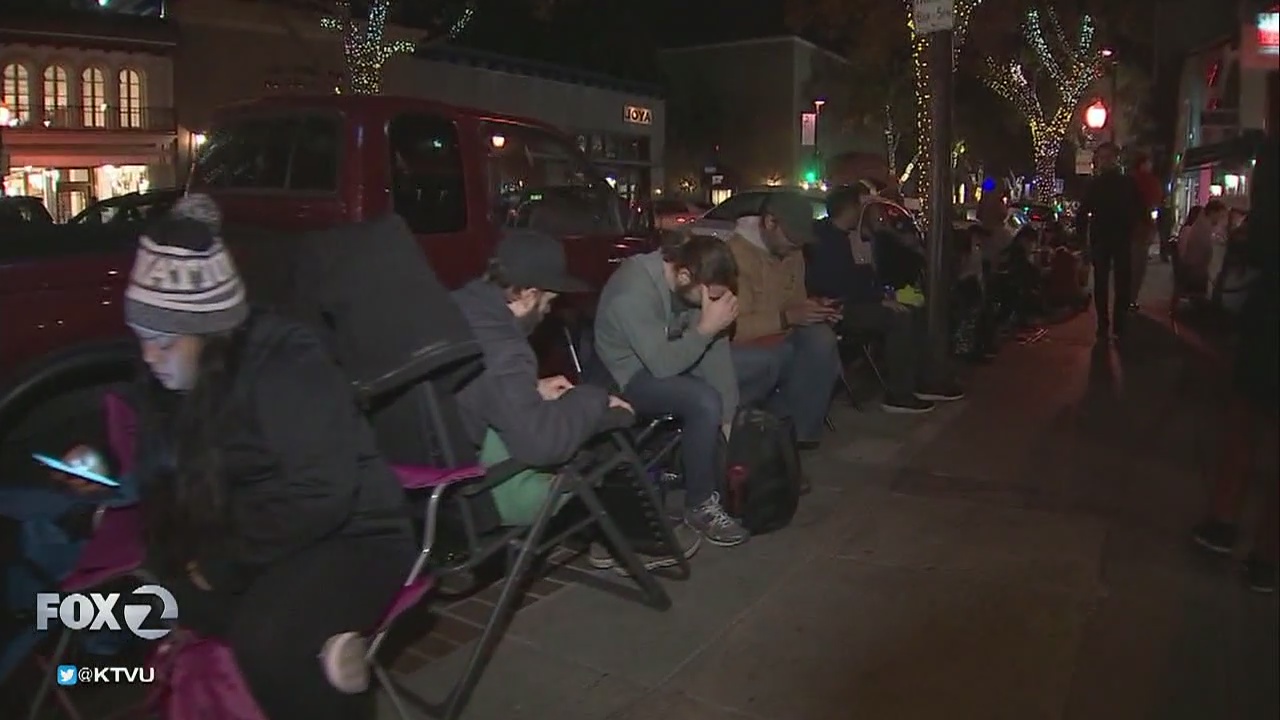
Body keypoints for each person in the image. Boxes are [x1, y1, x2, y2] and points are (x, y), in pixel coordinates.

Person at [115, 206, 415, 718]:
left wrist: (221, 561)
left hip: (354, 535)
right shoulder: (174, 380)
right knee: (141, 599)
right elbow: (160, 465)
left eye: (163, 343)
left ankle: (319, 669)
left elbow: (322, 492)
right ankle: (318, 659)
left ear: (209, 335)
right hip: (260, 529)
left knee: (268, 638)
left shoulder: (286, 363)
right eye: (142, 340)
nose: (149, 357)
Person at [449, 230, 699, 569]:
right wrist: (593, 400)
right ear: (527, 294)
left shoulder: (458, 309)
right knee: (606, 434)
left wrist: (532, 389)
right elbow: (542, 445)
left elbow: (476, 386)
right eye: (548, 302)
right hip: (480, 494)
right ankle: (634, 541)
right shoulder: (507, 346)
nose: (548, 312)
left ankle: (607, 538)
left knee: (574, 416)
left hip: (431, 479)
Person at [594, 235, 751, 547]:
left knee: (752, 373)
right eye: (709, 298)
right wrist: (706, 328)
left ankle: (704, 463)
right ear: (683, 276)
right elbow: (662, 366)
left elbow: (715, 357)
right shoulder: (633, 291)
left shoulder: (696, 283)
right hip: (621, 375)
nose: (712, 302)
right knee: (703, 400)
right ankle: (699, 504)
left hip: (669, 356)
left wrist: (728, 420)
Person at [1190, 131, 1279, 594]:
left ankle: (1223, 524)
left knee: (1244, 420)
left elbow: (1261, 241)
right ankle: (1267, 557)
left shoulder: (1270, 156)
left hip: (1272, 317)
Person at [808, 185, 964, 413]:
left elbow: (857, 275)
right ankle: (899, 393)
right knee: (899, 318)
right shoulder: (827, 240)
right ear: (849, 209)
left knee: (913, 311)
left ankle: (924, 379)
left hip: (850, 300)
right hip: (838, 306)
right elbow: (837, 283)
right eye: (859, 207)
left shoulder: (843, 237)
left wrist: (881, 293)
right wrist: (879, 298)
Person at [723, 193, 844, 440]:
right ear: (769, 223)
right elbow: (731, 328)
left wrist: (815, 309)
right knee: (789, 356)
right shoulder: (733, 256)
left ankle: (799, 436)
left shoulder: (792, 252)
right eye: (791, 238)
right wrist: (787, 317)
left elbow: (795, 299)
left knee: (822, 340)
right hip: (746, 343)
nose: (796, 245)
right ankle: (775, 431)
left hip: (782, 333)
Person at [1078, 142, 1145, 341]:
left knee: (1114, 281)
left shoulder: (1121, 183)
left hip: (1113, 237)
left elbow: (1139, 210)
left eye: (1108, 157)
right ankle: (1109, 323)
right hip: (1110, 237)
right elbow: (1083, 213)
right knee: (1108, 282)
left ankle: (1112, 323)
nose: (1105, 161)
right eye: (1103, 157)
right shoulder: (1112, 183)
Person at [1129, 153, 1162, 311]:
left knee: (1130, 265)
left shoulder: (1129, 180)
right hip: (1141, 227)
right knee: (1138, 265)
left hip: (1128, 228)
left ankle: (1127, 298)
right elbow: (1154, 201)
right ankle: (1131, 299)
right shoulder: (1148, 182)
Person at [1175, 200, 1225, 299]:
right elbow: (1207, 252)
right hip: (1195, 272)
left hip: (1191, 268)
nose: (1220, 219)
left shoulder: (1201, 223)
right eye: (1220, 215)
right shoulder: (1204, 226)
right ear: (1213, 213)